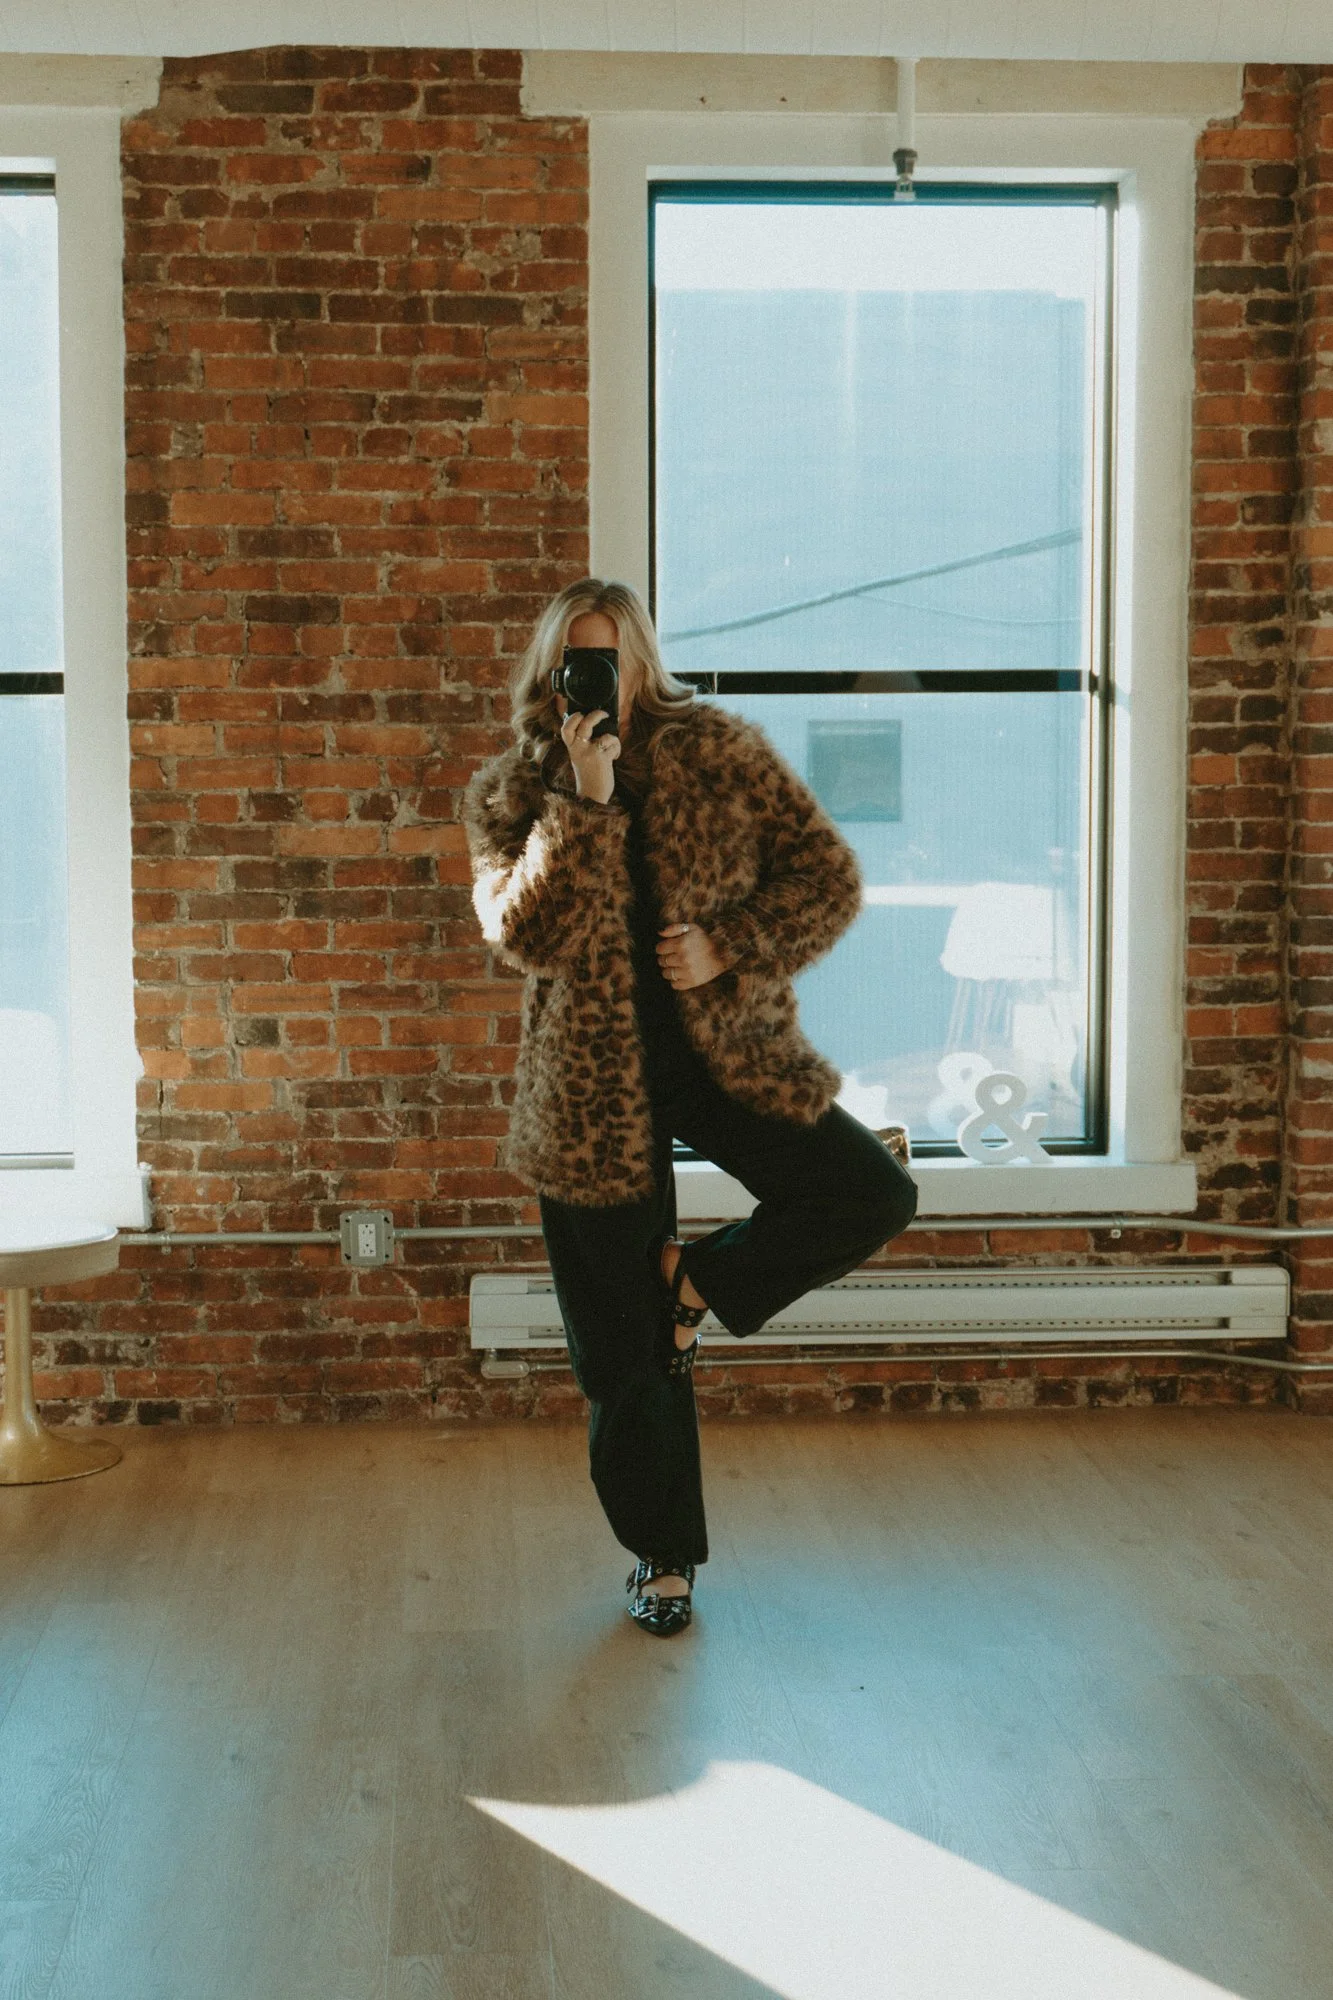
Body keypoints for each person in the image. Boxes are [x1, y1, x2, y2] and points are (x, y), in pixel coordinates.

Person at [462, 579, 918, 1637]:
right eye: (574, 659)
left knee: (869, 1190)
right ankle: (662, 1560)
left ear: (640, 664)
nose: (594, 678)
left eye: (609, 658)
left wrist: (728, 941)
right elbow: (522, 937)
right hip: (588, 1086)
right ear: (549, 670)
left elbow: (826, 879)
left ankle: (695, 1281)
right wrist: (582, 797)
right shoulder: (512, 790)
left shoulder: (716, 750)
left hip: (725, 1054)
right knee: (621, 1348)